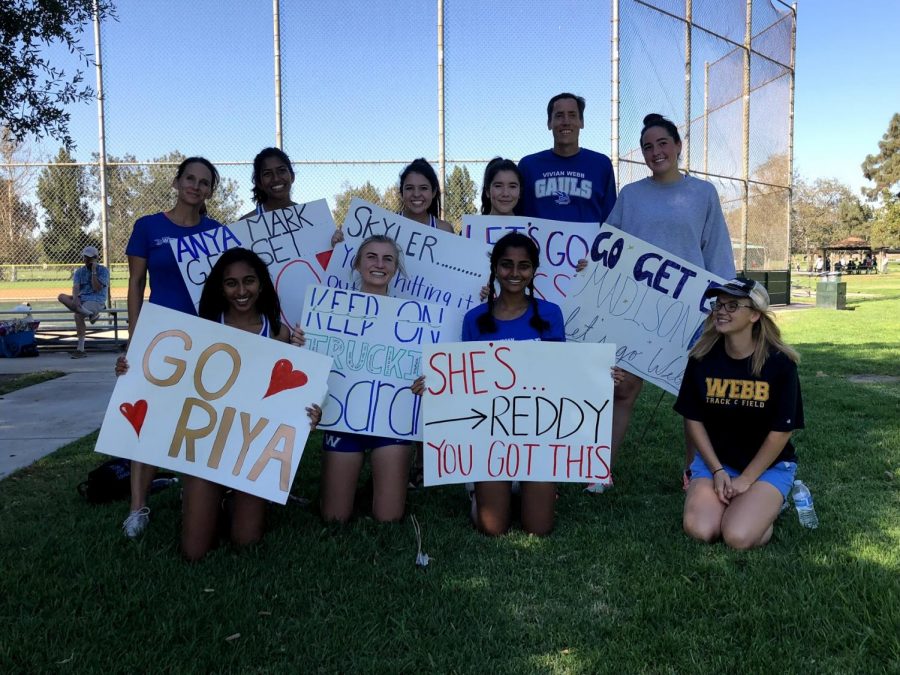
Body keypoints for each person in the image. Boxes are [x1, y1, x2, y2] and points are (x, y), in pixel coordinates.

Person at [116, 248, 321, 560]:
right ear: (220, 288)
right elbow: (165, 381)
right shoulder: (201, 330)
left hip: (252, 453)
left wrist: (308, 412)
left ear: (262, 284)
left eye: (249, 281)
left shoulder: (280, 333)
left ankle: (231, 500)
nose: (241, 291)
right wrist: (130, 369)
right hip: (205, 449)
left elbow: (295, 396)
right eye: (231, 283)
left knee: (246, 540)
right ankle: (209, 495)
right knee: (195, 550)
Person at [597, 113, 736, 493]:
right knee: (623, 389)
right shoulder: (631, 195)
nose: (655, 151)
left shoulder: (703, 193)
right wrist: (591, 264)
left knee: (694, 397)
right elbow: (608, 245)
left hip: (690, 311)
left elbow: (716, 250)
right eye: (647, 147)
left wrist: (722, 303)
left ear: (677, 146)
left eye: (662, 143)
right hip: (634, 309)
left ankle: (695, 473)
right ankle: (601, 470)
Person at [121, 156, 224, 538]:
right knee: (149, 419)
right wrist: (135, 338)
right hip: (159, 338)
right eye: (190, 179)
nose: (196, 187)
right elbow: (134, 285)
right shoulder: (148, 227)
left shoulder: (216, 232)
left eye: (204, 182)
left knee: (195, 420)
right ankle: (137, 507)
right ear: (177, 182)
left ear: (211, 190)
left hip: (204, 339)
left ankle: (193, 491)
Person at [298, 235, 420, 523]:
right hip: (343, 418)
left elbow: (424, 369)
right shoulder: (329, 312)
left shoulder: (413, 320)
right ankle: (361, 485)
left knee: (389, 517)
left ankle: (377, 487)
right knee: (334, 517)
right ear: (357, 264)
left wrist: (424, 381)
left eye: (388, 259)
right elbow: (312, 363)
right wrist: (302, 343)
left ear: (396, 267)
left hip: (392, 422)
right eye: (371, 257)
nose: (379, 264)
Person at [676, 278, 803, 549]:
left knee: (737, 536)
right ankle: (746, 504)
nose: (722, 311)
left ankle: (769, 507)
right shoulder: (701, 358)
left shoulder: (780, 364)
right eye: (718, 304)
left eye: (733, 305)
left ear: (755, 314)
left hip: (768, 467)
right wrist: (717, 469)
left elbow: (782, 431)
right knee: (702, 530)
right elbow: (693, 418)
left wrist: (747, 479)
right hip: (717, 463)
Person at [460, 232, 565, 536]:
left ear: (534, 270)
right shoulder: (474, 319)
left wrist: (598, 375)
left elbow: (564, 373)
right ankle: (478, 490)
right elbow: (464, 378)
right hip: (491, 434)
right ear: (494, 268)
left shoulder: (550, 314)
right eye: (506, 265)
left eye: (524, 266)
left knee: (539, 528)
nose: (515, 274)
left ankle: (527, 487)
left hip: (537, 432)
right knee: (492, 528)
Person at [518, 93, 617, 223]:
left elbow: (610, 220)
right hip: (537, 243)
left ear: (581, 122)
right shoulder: (528, 166)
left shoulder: (601, 165)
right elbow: (515, 216)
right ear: (549, 123)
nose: (566, 122)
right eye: (559, 116)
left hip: (589, 243)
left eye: (572, 115)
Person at [57, 245, 109, 359]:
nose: (87, 260)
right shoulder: (79, 271)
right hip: (82, 299)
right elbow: (76, 287)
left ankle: (80, 349)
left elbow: (97, 288)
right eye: (85, 257)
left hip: (96, 299)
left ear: (96, 258)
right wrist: (75, 297)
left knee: (77, 316)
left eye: (90, 258)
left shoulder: (103, 271)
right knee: (61, 297)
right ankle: (90, 314)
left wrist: (94, 272)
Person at [240, 147, 297, 219]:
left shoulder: (309, 216)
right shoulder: (246, 224)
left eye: (281, 170)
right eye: (267, 174)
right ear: (259, 183)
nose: (276, 179)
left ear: (292, 176)